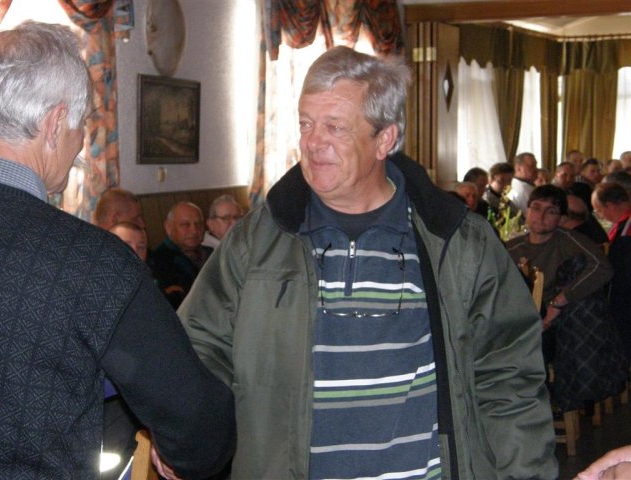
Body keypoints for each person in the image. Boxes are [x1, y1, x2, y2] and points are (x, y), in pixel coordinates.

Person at [179, 46, 557, 479]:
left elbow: (508, 376)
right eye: (306, 123)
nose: (313, 142)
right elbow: (200, 345)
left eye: (335, 127)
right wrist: (185, 432)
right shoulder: (258, 241)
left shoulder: (456, 242)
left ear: (385, 140)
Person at [0, 22, 234, 479]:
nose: (81, 144)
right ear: (53, 124)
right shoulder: (88, 262)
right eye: (81, 124)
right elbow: (198, 425)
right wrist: (182, 451)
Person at [507, 186, 626, 413]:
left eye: (550, 211)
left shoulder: (568, 240)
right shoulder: (512, 248)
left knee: (532, 349)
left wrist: (560, 301)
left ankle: (534, 410)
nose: (541, 216)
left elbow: (602, 268)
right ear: (526, 211)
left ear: (562, 219)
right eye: (536, 208)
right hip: (519, 320)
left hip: (558, 325)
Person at [592, 182, 631, 361]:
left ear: (610, 206)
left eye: (599, 210)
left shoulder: (627, 230)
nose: (600, 215)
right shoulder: (622, 224)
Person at [153, 201, 209, 308]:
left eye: (198, 224)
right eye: (185, 225)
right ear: (168, 228)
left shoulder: (211, 253)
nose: (194, 230)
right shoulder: (159, 261)